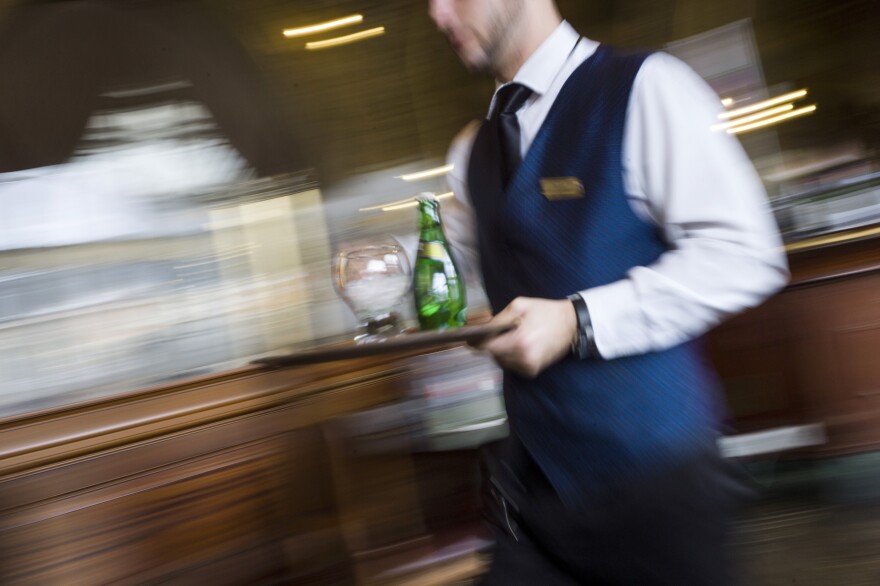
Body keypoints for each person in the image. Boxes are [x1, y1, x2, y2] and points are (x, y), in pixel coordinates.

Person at [428, 0, 789, 584]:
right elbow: (477, 295)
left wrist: (579, 320)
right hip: (531, 496)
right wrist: (472, 323)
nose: (438, 14)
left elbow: (746, 254)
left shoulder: (648, 87)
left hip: (656, 487)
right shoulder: (468, 155)